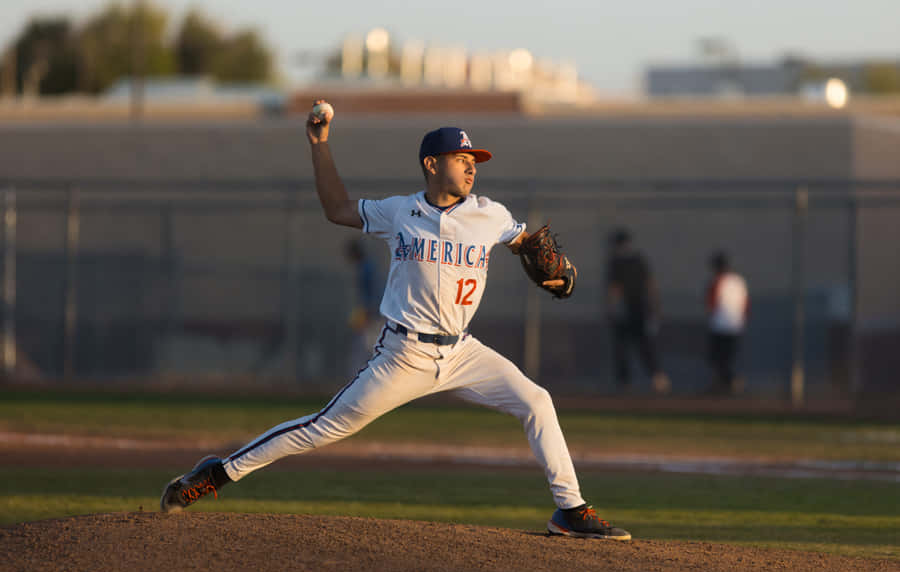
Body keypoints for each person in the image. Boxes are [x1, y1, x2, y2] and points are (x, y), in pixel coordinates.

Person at [159, 101, 631, 541]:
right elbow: (337, 210)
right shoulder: (399, 211)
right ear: (431, 164)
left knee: (536, 400)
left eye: (475, 160)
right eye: (461, 156)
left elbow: (531, 247)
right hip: (404, 355)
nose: (471, 165)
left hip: (464, 352)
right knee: (323, 426)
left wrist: (558, 272)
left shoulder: (490, 214)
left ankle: (569, 510)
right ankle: (217, 472)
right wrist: (319, 145)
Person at [605, 228, 670, 393]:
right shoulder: (639, 260)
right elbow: (651, 284)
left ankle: (625, 382)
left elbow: (615, 288)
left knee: (623, 347)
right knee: (644, 345)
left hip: (627, 310)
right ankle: (657, 378)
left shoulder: (616, 262)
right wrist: (655, 307)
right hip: (641, 309)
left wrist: (611, 309)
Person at [706, 251, 749, 394]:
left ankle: (730, 382)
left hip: (719, 326)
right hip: (735, 325)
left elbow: (711, 303)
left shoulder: (718, 281)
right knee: (726, 358)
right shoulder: (739, 281)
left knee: (718, 358)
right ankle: (724, 384)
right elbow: (745, 304)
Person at [344, 238, 382, 373]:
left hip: (371, 314)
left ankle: (361, 378)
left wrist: (367, 314)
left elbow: (372, 294)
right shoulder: (366, 266)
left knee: (367, 348)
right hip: (370, 313)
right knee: (366, 348)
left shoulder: (366, 267)